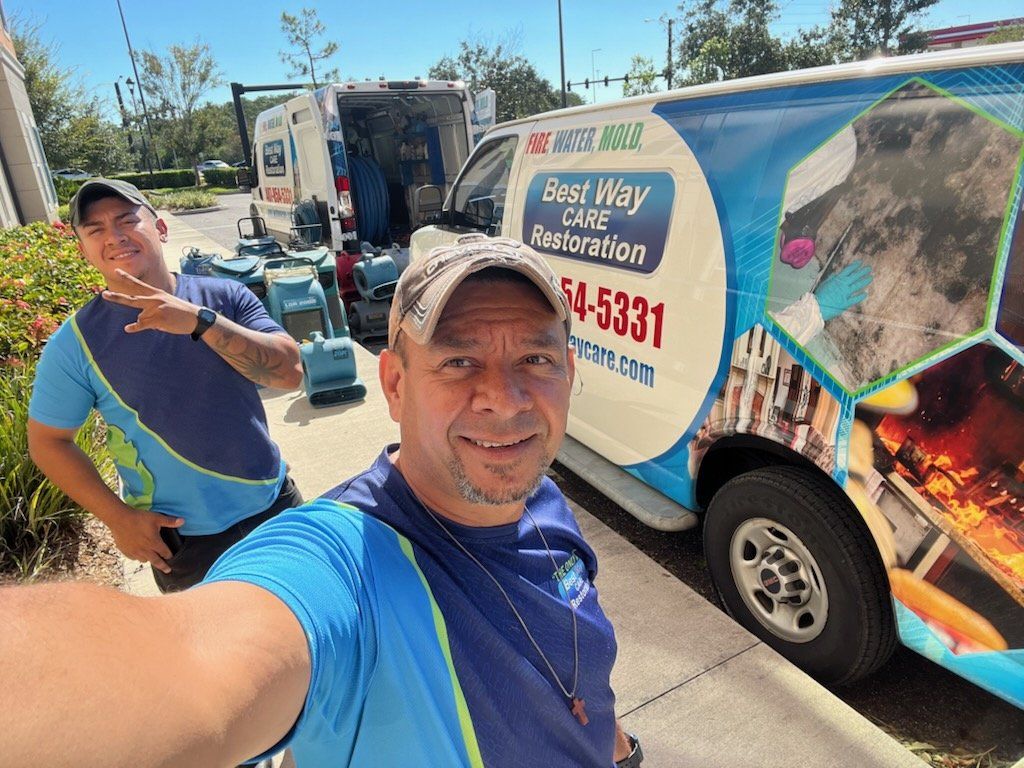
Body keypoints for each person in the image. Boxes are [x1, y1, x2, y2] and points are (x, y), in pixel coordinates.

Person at [1, 233, 642, 767]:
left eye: (535, 358)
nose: (504, 398)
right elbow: (187, 675)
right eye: (457, 362)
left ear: (568, 373)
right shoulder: (343, 561)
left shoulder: (544, 502)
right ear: (395, 385)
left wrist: (615, 747)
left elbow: (573, 664)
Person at [26, 178, 304, 592]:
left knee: (320, 627)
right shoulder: (76, 343)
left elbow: (289, 373)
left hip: (275, 508)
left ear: (160, 228)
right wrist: (118, 518)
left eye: (127, 220)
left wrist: (200, 323)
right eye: (95, 229)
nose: (114, 236)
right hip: (186, 545)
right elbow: (48, 441)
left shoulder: (224, 298)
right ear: (83, 250)